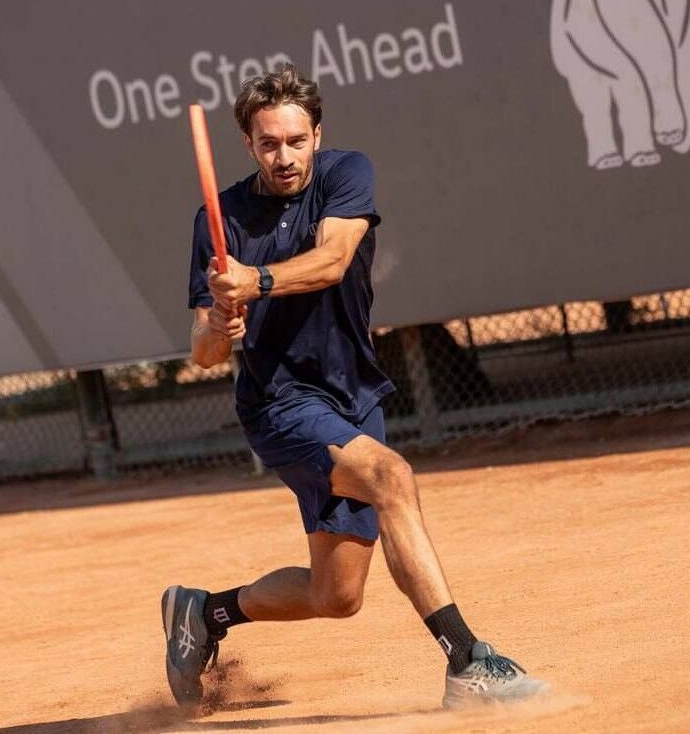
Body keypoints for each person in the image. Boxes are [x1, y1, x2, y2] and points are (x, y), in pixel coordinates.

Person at [162, 66, 547, 711]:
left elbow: (333, 260)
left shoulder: (346, 173)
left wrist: (256, 282)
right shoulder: (218, 218)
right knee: (392, 477)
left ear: (317, 135)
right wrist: (220, 326)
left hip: (353, 396)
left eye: (296, 141)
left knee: (336, 595)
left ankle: (204, 613)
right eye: (268, 144)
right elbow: (203, 352)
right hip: (280, 403)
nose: (284, 157)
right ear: (248, 144)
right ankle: (469, 661)